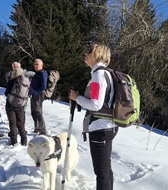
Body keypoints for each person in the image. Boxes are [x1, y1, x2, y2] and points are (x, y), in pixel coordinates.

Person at [69, 44, 118, 190]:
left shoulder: (98, 75)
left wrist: (77, 98)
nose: (86, 54)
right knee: (105, 169)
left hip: (100, 128)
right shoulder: (105, 73)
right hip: (107, 126)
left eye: (89, 51)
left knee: (101, 172)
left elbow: (96, 104)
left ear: (97, 54)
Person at [4, 67, 28, 146]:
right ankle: (24, 139)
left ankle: (14, 141)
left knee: (13, 123)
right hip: (21, 105)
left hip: (10, 105)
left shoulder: (12, 81)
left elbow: (6, 93)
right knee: (20, 123)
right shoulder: (26, 81)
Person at [28, 58, 48, 135]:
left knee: (38, 112)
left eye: (37, 64)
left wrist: (36, 92)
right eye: (34, 64)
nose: (35, 66)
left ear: (41, 65)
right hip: (33, 95)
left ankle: (43, 130)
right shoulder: (37, 73)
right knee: (33, 112)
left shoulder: (43, 74)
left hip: (39, 95)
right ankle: (37, 128)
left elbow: (43, 86)